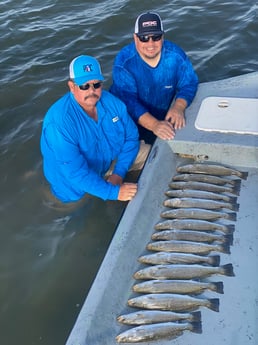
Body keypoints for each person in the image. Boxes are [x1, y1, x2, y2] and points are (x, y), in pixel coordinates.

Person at [40, 55, 147, 203]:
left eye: (96, 84)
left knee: (151, 154)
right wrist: (115, 193)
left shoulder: (111, 102)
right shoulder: (59, 123)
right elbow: (76, 173)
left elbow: (131, 137)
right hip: (74, 185)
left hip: (108, 164)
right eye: (84, 86)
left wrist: (119, 174)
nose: (92, 91)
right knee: (78, 212)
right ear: (72, 87)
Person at [110, 11, 198, 144]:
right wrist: (154, 125)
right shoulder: (124, 63)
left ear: (163, 37)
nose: (150, 44)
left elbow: (189, 83)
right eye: (144, 38)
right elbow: (128, 101)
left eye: (156, 37)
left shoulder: (176, 56)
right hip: (131, 121)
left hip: (164, 113)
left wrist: (179, 106)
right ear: (135, 38)